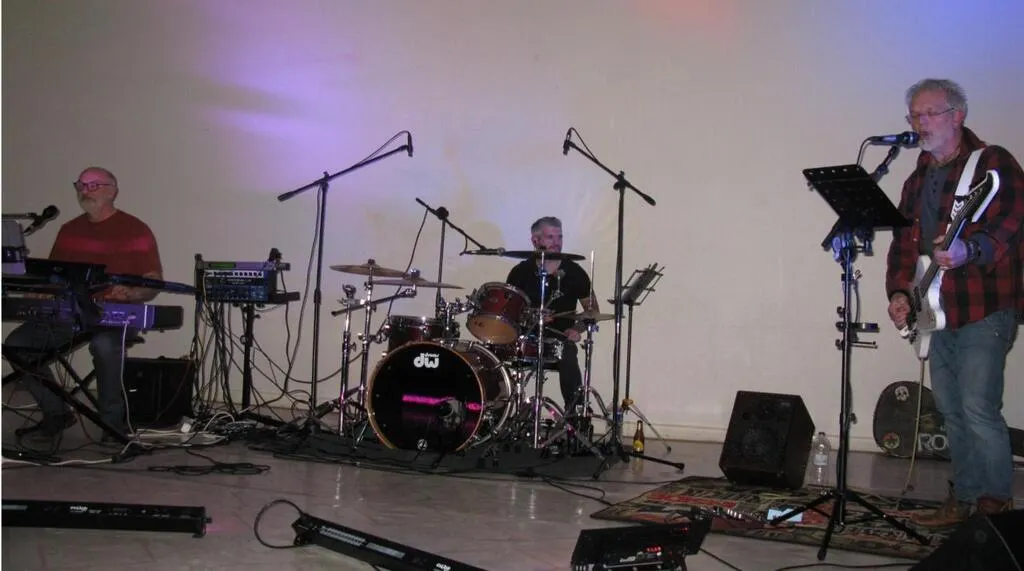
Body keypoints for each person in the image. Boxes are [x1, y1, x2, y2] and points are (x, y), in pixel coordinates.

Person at [885, 79, 1024, 528]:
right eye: (914, 115)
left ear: (957, 116)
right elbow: (903, 245)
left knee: (979, 406)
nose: (920, 123)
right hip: (934, 310)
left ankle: (994, 505)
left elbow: (1014, 221)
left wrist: (971, 249)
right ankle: (964, 497)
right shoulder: (917, 178)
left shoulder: (993, 164)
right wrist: (899, 293)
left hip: (985, 306)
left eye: (929, 113)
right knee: (951, 410)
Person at [5, 166, 163, 439]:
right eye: (81, 185)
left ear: (112, 191)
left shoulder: (135, 229)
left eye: (93, 185)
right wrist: (43, 291)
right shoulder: (69, 230)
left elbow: (153, 282)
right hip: (69, 312)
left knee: (104, 345)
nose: (85, 191)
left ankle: (113, 425)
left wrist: (131, 293)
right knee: (17, 345)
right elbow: (54, 276)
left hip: (114, 313)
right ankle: (56, 413)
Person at [506, 217, 600, 414]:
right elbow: (510, 310)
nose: (557, 242)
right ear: (535, 241)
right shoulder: (520, 272)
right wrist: (531, 318)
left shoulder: (574, 272)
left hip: (559, 339)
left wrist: (576, 329)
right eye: (550, 237)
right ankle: (498, 413)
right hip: (526, 339)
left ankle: (574, 415)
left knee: (568, 354)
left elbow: (592, 310)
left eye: (560, 237)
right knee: (496, 354)